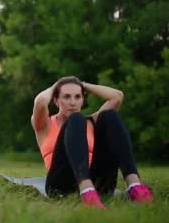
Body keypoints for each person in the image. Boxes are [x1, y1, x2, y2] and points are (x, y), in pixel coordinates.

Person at [31, 76, 153, 208]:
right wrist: (56, 85)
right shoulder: (45, 125)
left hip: (98, 185)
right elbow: (41, 101)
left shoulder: (91, 123)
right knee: (76, 118)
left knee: (109, 115)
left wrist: (84, 85)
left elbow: (117, 96)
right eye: (66, 97)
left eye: (78, 97)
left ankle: (134, 185)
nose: (73, 103)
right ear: (56, 100)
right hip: (61, 186)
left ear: (83, 100)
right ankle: (85, 188)